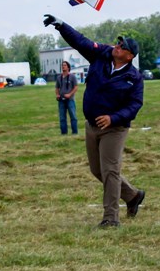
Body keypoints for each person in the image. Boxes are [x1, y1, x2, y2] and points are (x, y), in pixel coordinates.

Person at [44, 14, 146, 228]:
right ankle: (133, 195)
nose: (117, 46)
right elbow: (81, 41)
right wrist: (62, 26)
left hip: (115, 129)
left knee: (110, 170)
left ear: (129, 56)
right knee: (97, 170)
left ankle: (111, 218)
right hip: (92, 125)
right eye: (118, 43)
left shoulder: (134, 78)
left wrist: (113, 118)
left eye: (122, 46)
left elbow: (135, 105)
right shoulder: (101, 55)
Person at [55, 61, 79, 135]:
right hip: (61, 100)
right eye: (62, 65)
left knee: (73, 116)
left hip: (70, 100)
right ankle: (64, 133)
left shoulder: (72, 77)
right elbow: (57, 88)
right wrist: (57, 95)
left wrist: (70, 94)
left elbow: (76, 87)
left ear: (68, 67)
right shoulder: (59, 77)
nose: (63, 67)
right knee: (62, 118)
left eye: (65, 65)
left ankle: (74, 132)